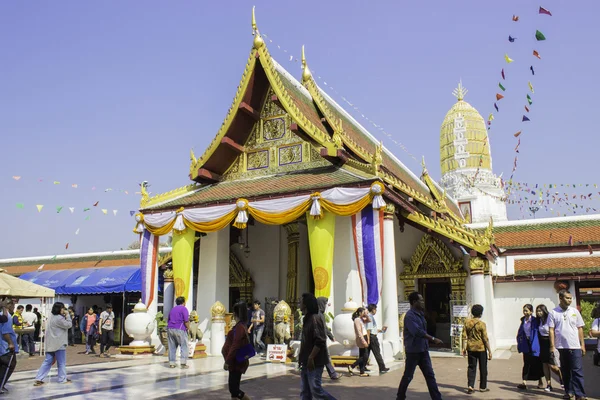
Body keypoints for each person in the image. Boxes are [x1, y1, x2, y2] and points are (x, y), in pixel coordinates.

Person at [396, 292, 442, 400]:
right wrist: (432, 339)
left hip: (423, 350)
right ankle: (400, 396)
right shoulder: (410, 316)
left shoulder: (421, 314)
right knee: (408, 376)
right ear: (414, 302)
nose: (422, 302)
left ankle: (437, 398)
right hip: (413, 351)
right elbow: (417, 331)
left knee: (430, 375)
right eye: (420, 300)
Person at [549, 289, 587, 400]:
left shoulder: (575, 311)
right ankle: (569, 392)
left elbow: (580, 328)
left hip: (575, 347)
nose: (570, 300)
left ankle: (580, 395)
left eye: (571, 298)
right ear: (560, 298)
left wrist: (582, 345)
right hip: (561, 347)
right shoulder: (553, 312)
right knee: (565, 371)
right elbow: (551, 330)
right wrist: (552, 346)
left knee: (577, 371)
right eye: (567, 298)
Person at [298, 292, 337, 400]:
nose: (299, 304)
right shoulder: (307, 318)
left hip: (315, 360)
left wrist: (311, 357)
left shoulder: (315, 318)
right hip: (306, 360)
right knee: (305, 391)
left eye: (300, 301)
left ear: (306, 304)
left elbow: (320, 340)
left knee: (315, 389)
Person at [33, 302, 72, 386]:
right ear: (59, 309)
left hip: (50, 343)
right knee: (61, 363)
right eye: (63, 308)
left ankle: (39, 378)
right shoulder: (59, 318)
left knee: (48, 361)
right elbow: (69, 325)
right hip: (59, 343)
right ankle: (62, 379)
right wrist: (68, 315)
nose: (64, 310)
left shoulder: (50, 316)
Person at [222, 302, 252, 400]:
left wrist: (227, 361)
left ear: (235, 313)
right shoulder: (240, 326)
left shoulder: (240, 327)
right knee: (233, 390)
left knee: (234, 389)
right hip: (234, 362)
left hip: (235, 362)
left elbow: (235, 345)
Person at [461, 304, 492, 394]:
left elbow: (463, 336)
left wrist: (464, 348)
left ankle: (470, 386)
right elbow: (485, 339)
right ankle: (483, 387)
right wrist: (489, 351)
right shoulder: (482, 324)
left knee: (471, 367)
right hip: (481, 348)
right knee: (483, 368)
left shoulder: (467, 322)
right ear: (481, 313)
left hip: (470, 348)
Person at [536, 304, 563, 392]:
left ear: (544, 311)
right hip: (542, 343)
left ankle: (561, 376)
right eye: (537, 311)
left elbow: (553, 331)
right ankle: (548, 384)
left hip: (550, 342)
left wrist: (553, 345)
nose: (539, 313)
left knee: (552, 365)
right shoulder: (539, 320)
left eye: (540, 311)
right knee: (545, 364)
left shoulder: (549, 319)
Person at [516, 304, 544, 390]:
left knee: (537, 362)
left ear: (531, 311)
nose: (525, 312)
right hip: (526, 343)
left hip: (535, 342)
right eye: (524, 310)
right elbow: (520, 332)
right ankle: (524, 382)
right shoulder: (523, 321)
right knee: (526, 362)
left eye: (526, 310)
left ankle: (540, 381)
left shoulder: (535, 320)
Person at [317, 297, 341, 380]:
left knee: (323, 357)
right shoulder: (318, 315)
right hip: (319, 340)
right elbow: (323, 328)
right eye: (324, 304)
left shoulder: (320, 314)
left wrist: (331, 336)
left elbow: (325, 328)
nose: (325, 306)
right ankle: (332, 374)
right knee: (325, 357)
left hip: (320, 339)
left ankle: (330, 374)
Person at [0, 298, 18, 395]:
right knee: (9, 365)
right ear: (9, 305)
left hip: (2, 346)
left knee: (3, 366)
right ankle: (1, 385)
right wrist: (10, 343)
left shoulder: (2, 315)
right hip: (5, 346)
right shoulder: (8, 316)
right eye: (13, 306)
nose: (13, 308)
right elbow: (5, 332)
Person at [366, 304, 390, 374]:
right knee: (377, 353)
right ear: (373, 309)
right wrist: (368, 339)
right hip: (372, 337)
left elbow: (373, 329)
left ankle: (358, 366)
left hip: (372, 336)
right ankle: (382, 367)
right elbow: (369, 329)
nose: (376, 311)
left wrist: (381, 330)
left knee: (366, 354)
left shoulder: (370, 317)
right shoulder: (370, 317)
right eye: (375, 309)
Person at [167, 296, 189, 369]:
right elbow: (186, 320)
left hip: (170, 328)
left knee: (172, 346)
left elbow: (168, 319)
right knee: (184, 346)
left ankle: (172, 363)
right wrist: (188, 328)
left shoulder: (172, 309)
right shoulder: (184, 309)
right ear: (183, 302)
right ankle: (183, 363)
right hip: (180, 328)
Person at [348, 307, 370, 377]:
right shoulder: (357, 320)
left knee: (362, 355)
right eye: (363, 312)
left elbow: (369, 320)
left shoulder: (361, 319)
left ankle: (362, 371)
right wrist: (364, 341)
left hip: (365, 336)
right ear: (360, 312)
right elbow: (359, 332)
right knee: (365, 356)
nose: (364, 313)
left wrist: (366, 314)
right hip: (362, 338)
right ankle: (352, 366)